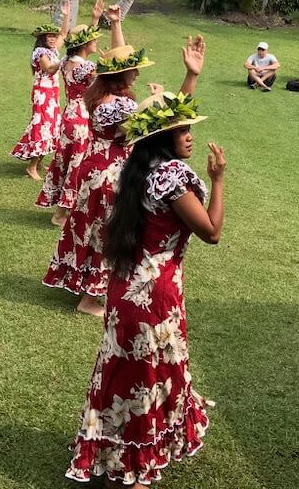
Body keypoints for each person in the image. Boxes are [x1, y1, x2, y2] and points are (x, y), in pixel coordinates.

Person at [65, 91, 225, 486]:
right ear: (160, 137)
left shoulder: (135, 169)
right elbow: (211, 231)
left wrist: (188, 78)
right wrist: (219, 180)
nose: (188, 136)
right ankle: (136, 470)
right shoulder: (171, 177)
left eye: (187, 128)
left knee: (121, 373)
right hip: (155, 295)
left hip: (124, 290)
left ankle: (112, 452)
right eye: (180, 130)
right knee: (147, 377)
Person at [44, 7, 204, 316]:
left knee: (89, 229)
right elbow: (168, 119)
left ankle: (83, 287)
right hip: (110, 174)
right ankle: (89, 299)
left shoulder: (99, 94)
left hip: (96, 169)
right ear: (120, 77)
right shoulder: (117, 107)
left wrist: (116, 23)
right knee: (107, 231)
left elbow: (119, 56)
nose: (138, 73)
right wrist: (190, 77)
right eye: (133, 70)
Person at [37, 0, 105, 227]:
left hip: (68, 116)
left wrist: (95, 19)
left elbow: (77, 53)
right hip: (81, 120)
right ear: (86, 45)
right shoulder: (87, 68)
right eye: (93, 40)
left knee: (66, 161)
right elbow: (107, 78)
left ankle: (64, 208)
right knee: (76, 165)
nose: (96, 42)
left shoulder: (67, 60)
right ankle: (61, 213)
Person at [11, 0, 72, 180]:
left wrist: (66, 14)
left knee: (51, 127)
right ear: (42, 38)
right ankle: (31, 167)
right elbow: (50, 69)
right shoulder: (41, 52)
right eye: (49, 36)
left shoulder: (52, 50)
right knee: (42, 127)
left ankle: (37, 162)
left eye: (53, 36)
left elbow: (64, 33)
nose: (53, 38)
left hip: (52, 94)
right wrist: (68, 59)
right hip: (42, 93)